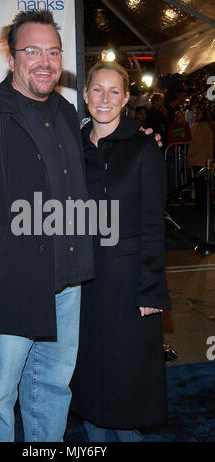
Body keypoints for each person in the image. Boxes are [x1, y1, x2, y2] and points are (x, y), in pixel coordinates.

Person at [0, 10, 95, 442]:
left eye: (53, 51)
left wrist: (140, 137)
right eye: (32, 51)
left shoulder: (67, 112)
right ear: (12, 59)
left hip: (67, 284)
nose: (45, 61)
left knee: (52, 387)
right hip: (8, 283)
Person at [70, 60, 172, 442]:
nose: (105, 98)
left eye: (114, 91)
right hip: (83, 281)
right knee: (92, 376)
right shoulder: (72, 144)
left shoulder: (144, 146)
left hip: (129, 284)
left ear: (127, 98)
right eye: (97, 89)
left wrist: (151, 289)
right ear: (85, 95)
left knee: (126, 377)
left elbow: (152, 223)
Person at [187, 104, 214, 210]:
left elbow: (196, 143)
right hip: (204, 158)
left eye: (197, 113)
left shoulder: (202, 126)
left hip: (199, 158)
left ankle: (200, 206)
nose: (195, 115)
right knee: (201, 183)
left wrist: (189, 155)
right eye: (194, 113)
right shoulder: (206, 126)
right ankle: (202, 204)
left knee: (200, 184)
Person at [166, 109, 191, 190]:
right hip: (172, 151)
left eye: (181, 116)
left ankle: (180, 187)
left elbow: (187, 137)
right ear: (175, 117)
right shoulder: (171, 126)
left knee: (180, 169)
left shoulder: (186, 125)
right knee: (172, 169)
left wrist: (178, 136)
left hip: (182, 152)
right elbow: (170, 139)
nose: (179, 118)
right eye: (178, 116)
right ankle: (174, 188)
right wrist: (180, 135)